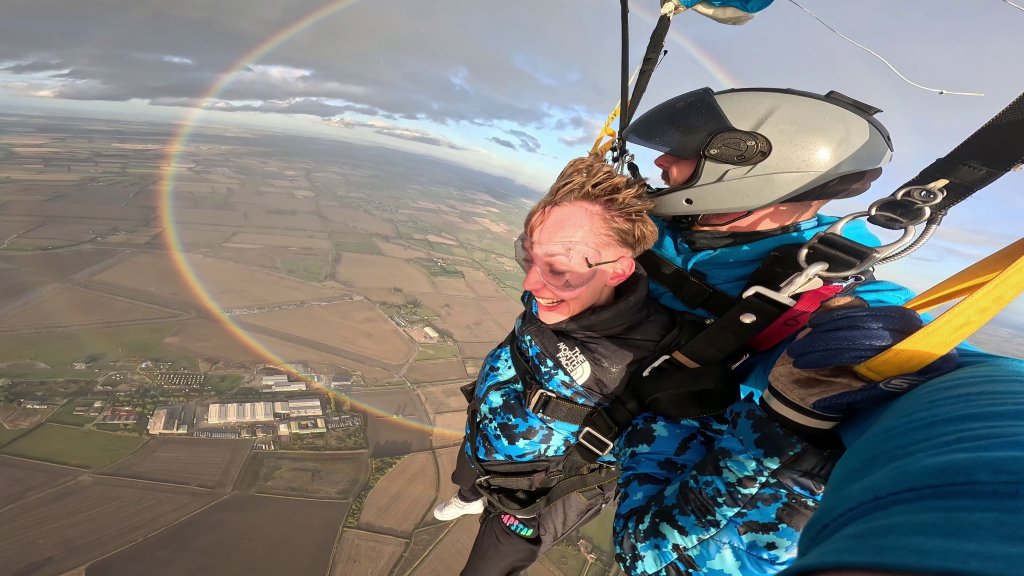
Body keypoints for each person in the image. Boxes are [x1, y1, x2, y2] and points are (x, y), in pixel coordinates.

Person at [607, 87, 967, 576]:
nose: (664, 160)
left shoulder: (845, 301)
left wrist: (892, 351)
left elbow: (972, 392)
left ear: (754, 174)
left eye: (687, 153)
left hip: (679, 458)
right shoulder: (650, 227)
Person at [434, 155, 698, 576]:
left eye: (558, 268)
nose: (531, 283)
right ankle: (468, 496)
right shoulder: (557, 297)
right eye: (528, 256)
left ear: (618, 271)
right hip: (485, 434)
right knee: (465, 477)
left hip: (539, 494)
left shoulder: (650, 360)